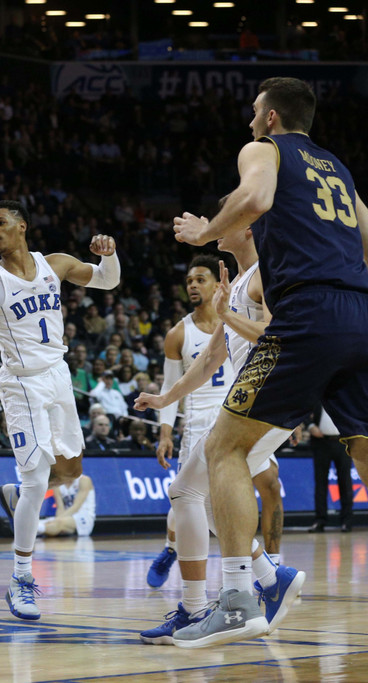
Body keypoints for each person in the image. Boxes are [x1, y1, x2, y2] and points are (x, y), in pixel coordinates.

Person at [166, 77, 358, 648]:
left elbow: (254, 200)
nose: (251, 119)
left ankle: (237, 599)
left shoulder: (264, 149)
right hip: (359, 310)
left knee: (222, 450)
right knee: (366, 449)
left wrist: (205, 230)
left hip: (307, 311)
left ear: (271, 116)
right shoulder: (339, 170)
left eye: (255, 110)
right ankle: (265, 579)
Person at [0, 199, 119, 621]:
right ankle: (20, 579)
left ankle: (15, 496)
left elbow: (107, 281)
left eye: (0, 223)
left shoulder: (56, 264)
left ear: (22, 226)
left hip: (58, 376)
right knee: (36, 482)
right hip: (21, 384)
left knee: (70, 472)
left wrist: (109, 255)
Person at [143, 255, 236, 592]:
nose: (193, 286)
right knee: (188, 498)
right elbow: (170, 388)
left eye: (200, 279)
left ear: (217, 284)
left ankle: (252, 570)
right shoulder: (178, 333)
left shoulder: (237, 321)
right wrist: (165, 433)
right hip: (197, 423)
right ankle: (173, 550)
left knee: (254, 487)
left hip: (234, 418)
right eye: (189, 282)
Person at [308, 405, 354, 532]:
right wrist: (310, 426)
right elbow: (304, 408)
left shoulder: (344, 397)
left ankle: (347, 521)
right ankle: (320, 520)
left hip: (342, 442)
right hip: (321, 443)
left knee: (345, 482)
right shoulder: (317, 395)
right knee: (320, 483)